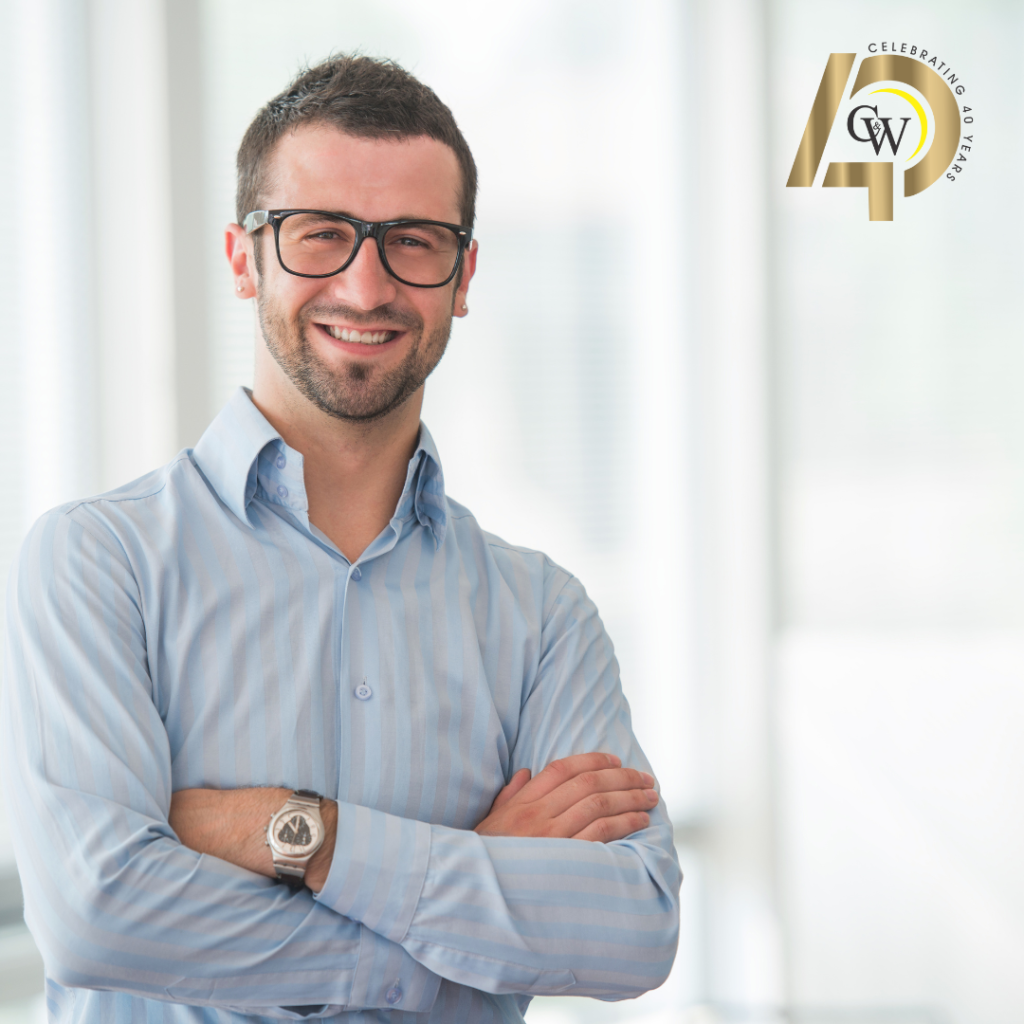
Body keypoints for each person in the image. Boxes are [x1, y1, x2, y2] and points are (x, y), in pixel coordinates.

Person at [1, 55, 681, 1023]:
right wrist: (467, 899)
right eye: (320, 234)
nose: (365, 287)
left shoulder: (541, 616)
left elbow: (633, 926)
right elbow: (101, 916)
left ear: (463, 276)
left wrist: (297, 832)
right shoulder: (96, 565)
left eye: (413, 242)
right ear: (245, 258)